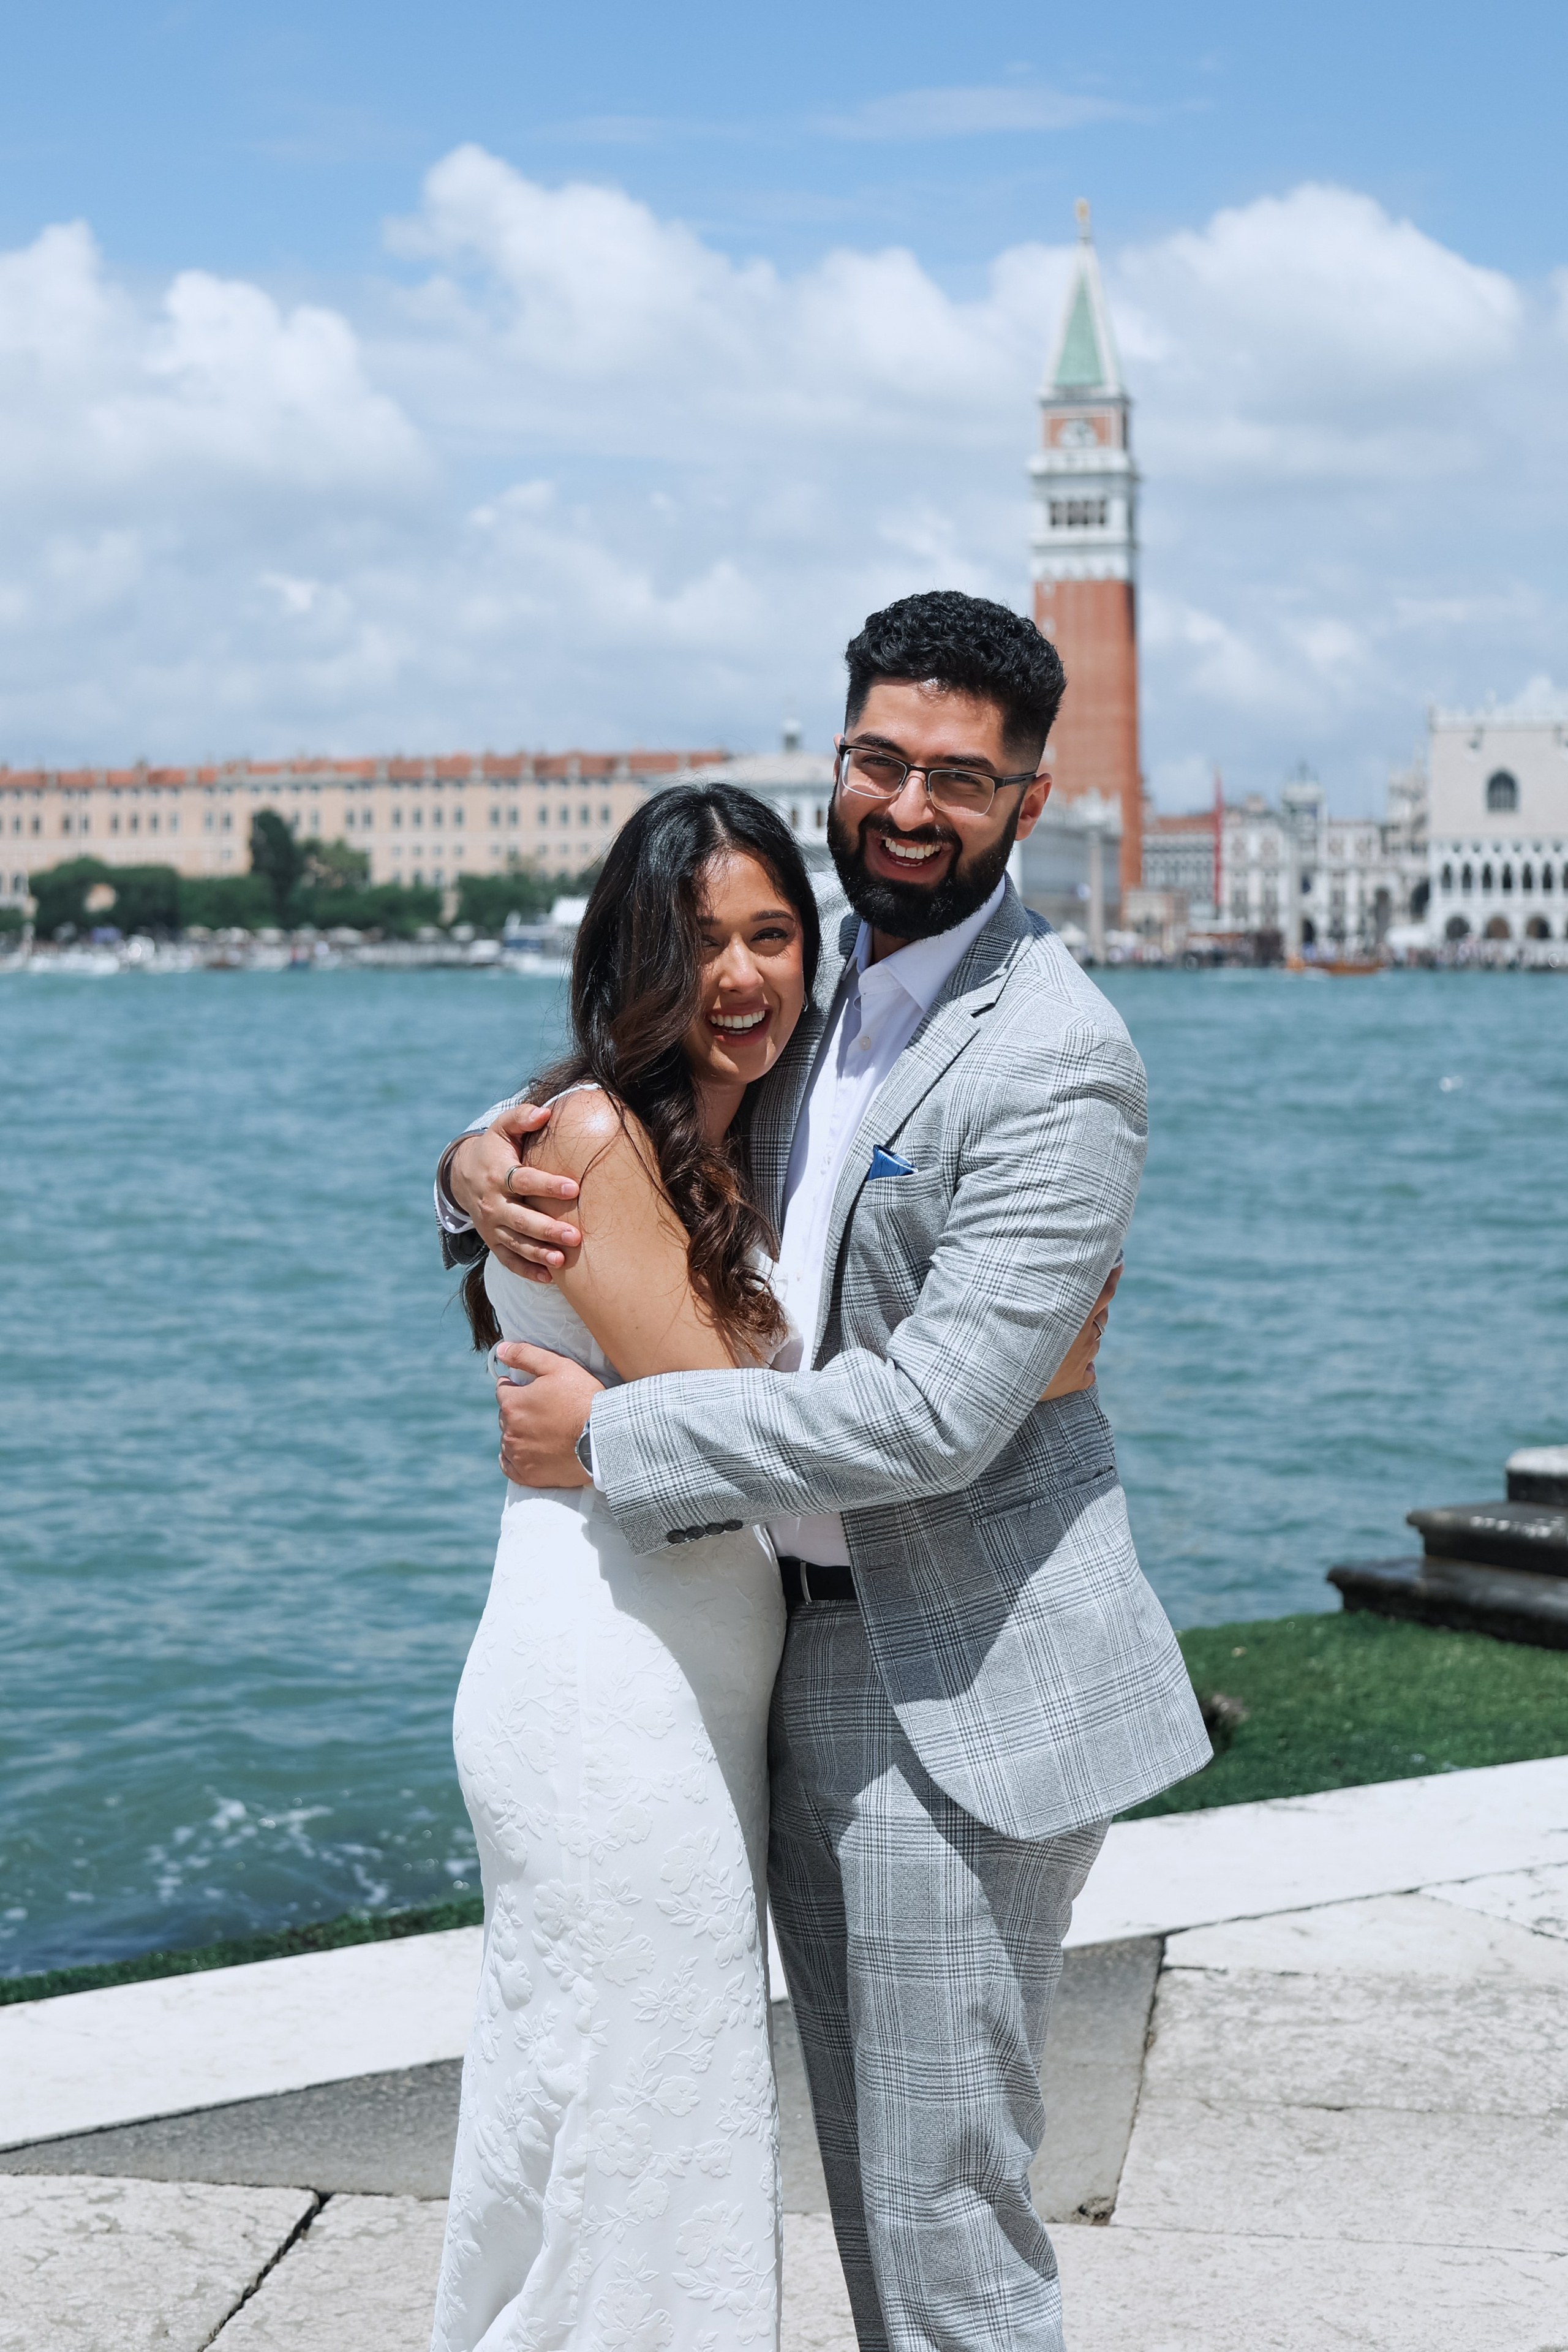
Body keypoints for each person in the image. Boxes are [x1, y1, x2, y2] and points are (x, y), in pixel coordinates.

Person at [441, 591, 1210, 2352]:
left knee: (940, 2211)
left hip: (955, 1676)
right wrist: (476, 1157)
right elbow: (637, 1119)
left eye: (960, 775)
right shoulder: (818, 986)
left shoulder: (1059, 1054)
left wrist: (610, 1438)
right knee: (833, 2173)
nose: (910, 804)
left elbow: (933, 1420)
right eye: (879, 760)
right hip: (776, 1646)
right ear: (840, 755)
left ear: (1027, 798)